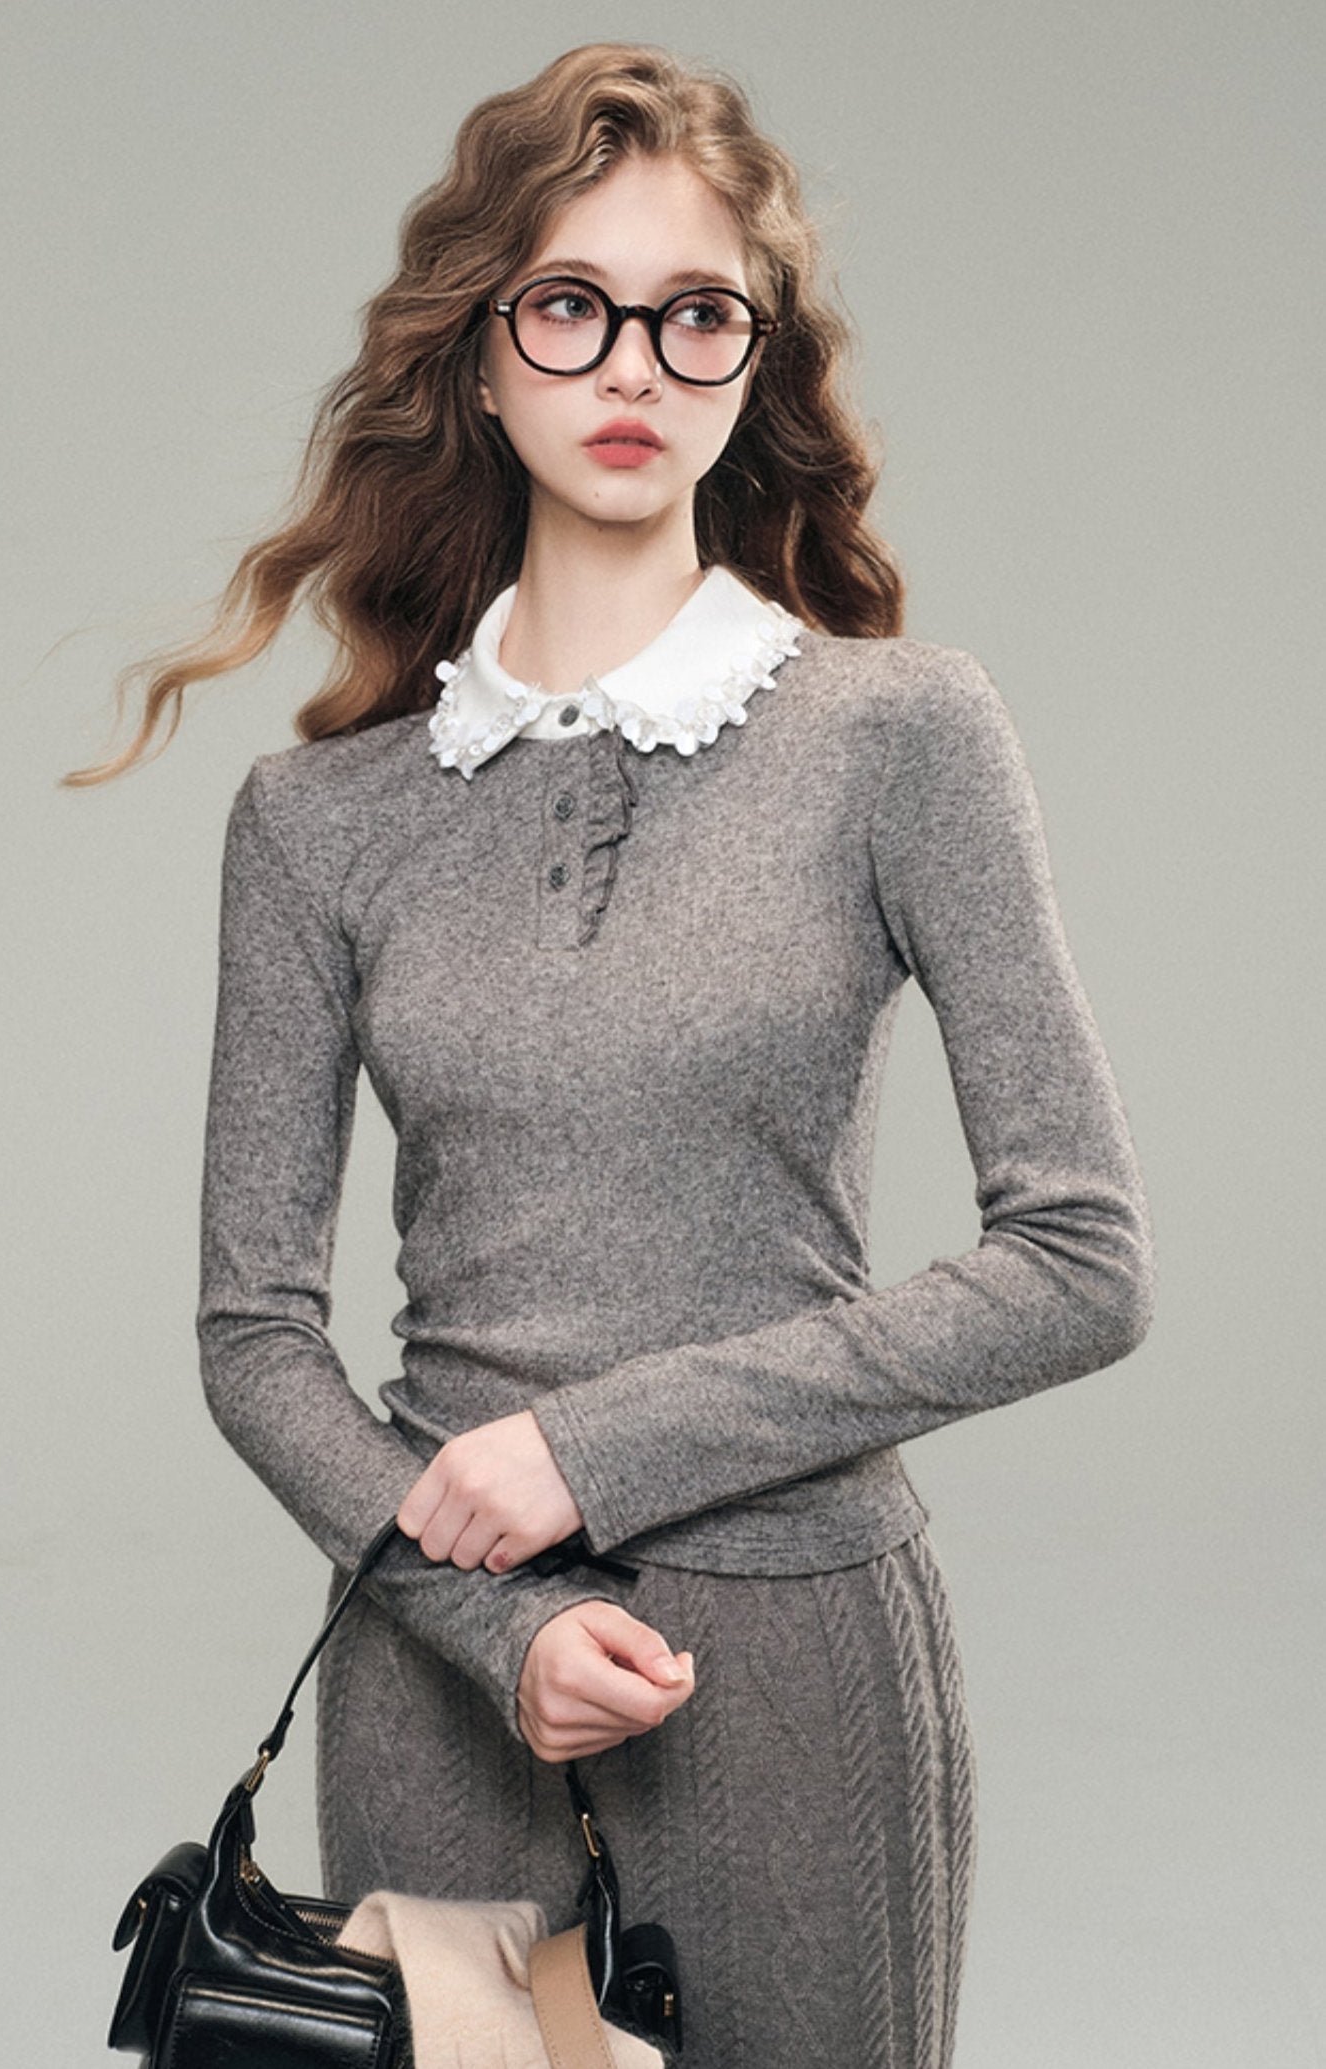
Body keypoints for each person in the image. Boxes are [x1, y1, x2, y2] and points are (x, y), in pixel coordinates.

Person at [69, 41, 1156, 2068]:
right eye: (570, 307)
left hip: (794, 1681)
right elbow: (253, 1336)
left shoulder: (902, 735)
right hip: (440, 1684)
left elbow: (1084, 1260)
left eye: (695, 315)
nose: (633, 366)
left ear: (757, 364)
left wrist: (590, 1450)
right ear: (483, 357)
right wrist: (502, 1625)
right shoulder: (317, 822)